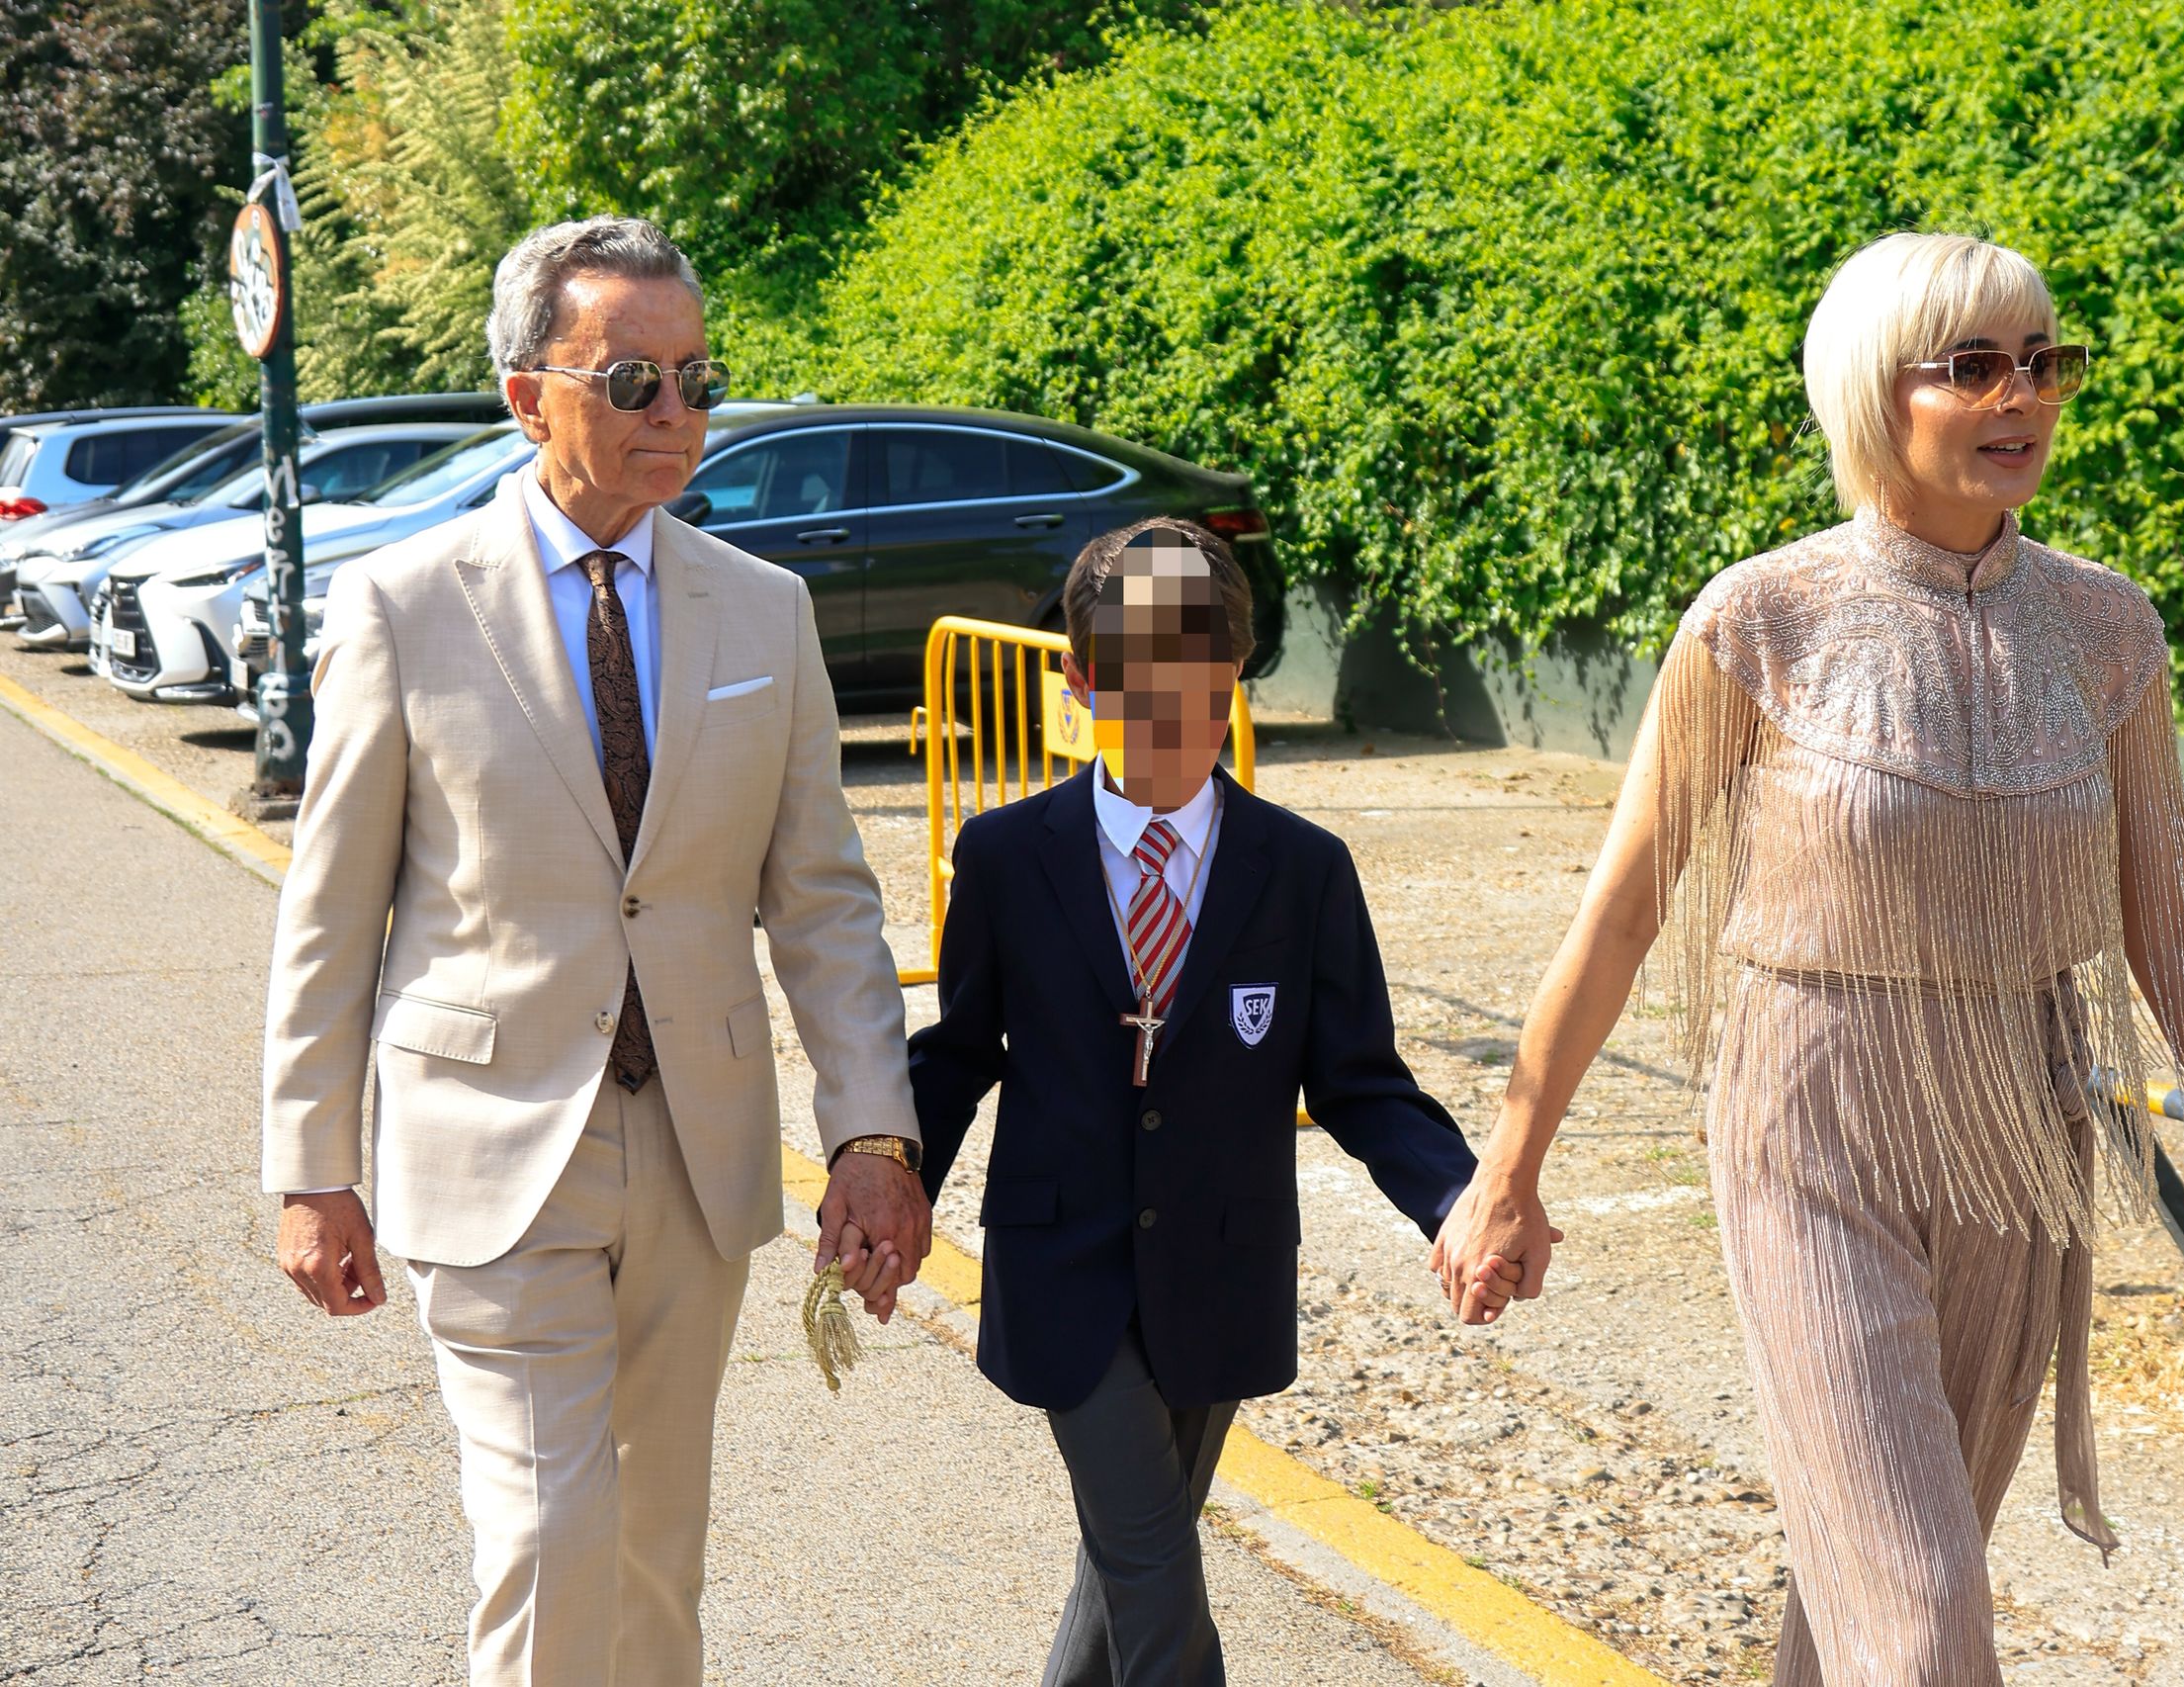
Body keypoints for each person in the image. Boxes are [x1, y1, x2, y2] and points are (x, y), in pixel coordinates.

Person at [1430, 232, 2184, 1685]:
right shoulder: (1761, 619)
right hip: (1808, 1120)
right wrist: (1509, 1171)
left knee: (1874, 1587)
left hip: (2018, 1133)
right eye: (1974, 365)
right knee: (1931, 1612)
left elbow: (2178, 935)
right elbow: (1624, 913)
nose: (2024, 394)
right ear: (1871, 393)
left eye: (2045, 360)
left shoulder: (2107, 626)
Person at [262, 215, 927, 1686]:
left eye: (697, 377)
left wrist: (876, 1131)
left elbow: (822, 898)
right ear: (526, 393)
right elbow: (332, 910)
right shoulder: (404, 605)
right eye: (633, 382)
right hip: (489, 1142)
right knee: (551, 1530)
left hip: (698, 1147)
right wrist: (313, 1165)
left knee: (651, 1549)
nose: (677, 416)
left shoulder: (767, 609)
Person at [906, 518, 1495, 1687]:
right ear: (1079, 680)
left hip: (1219, 1272)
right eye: (1132, 670)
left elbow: (1360, 1081)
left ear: (1236, 666)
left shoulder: (1301, 866)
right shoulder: (1009, 855)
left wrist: (1458, 1200)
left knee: (1127, 1560)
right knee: (1156, 1580)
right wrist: (887, 1177)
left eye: (1198, 664)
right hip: (1060, 1263)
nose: (1169, 697)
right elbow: (960, 1048)